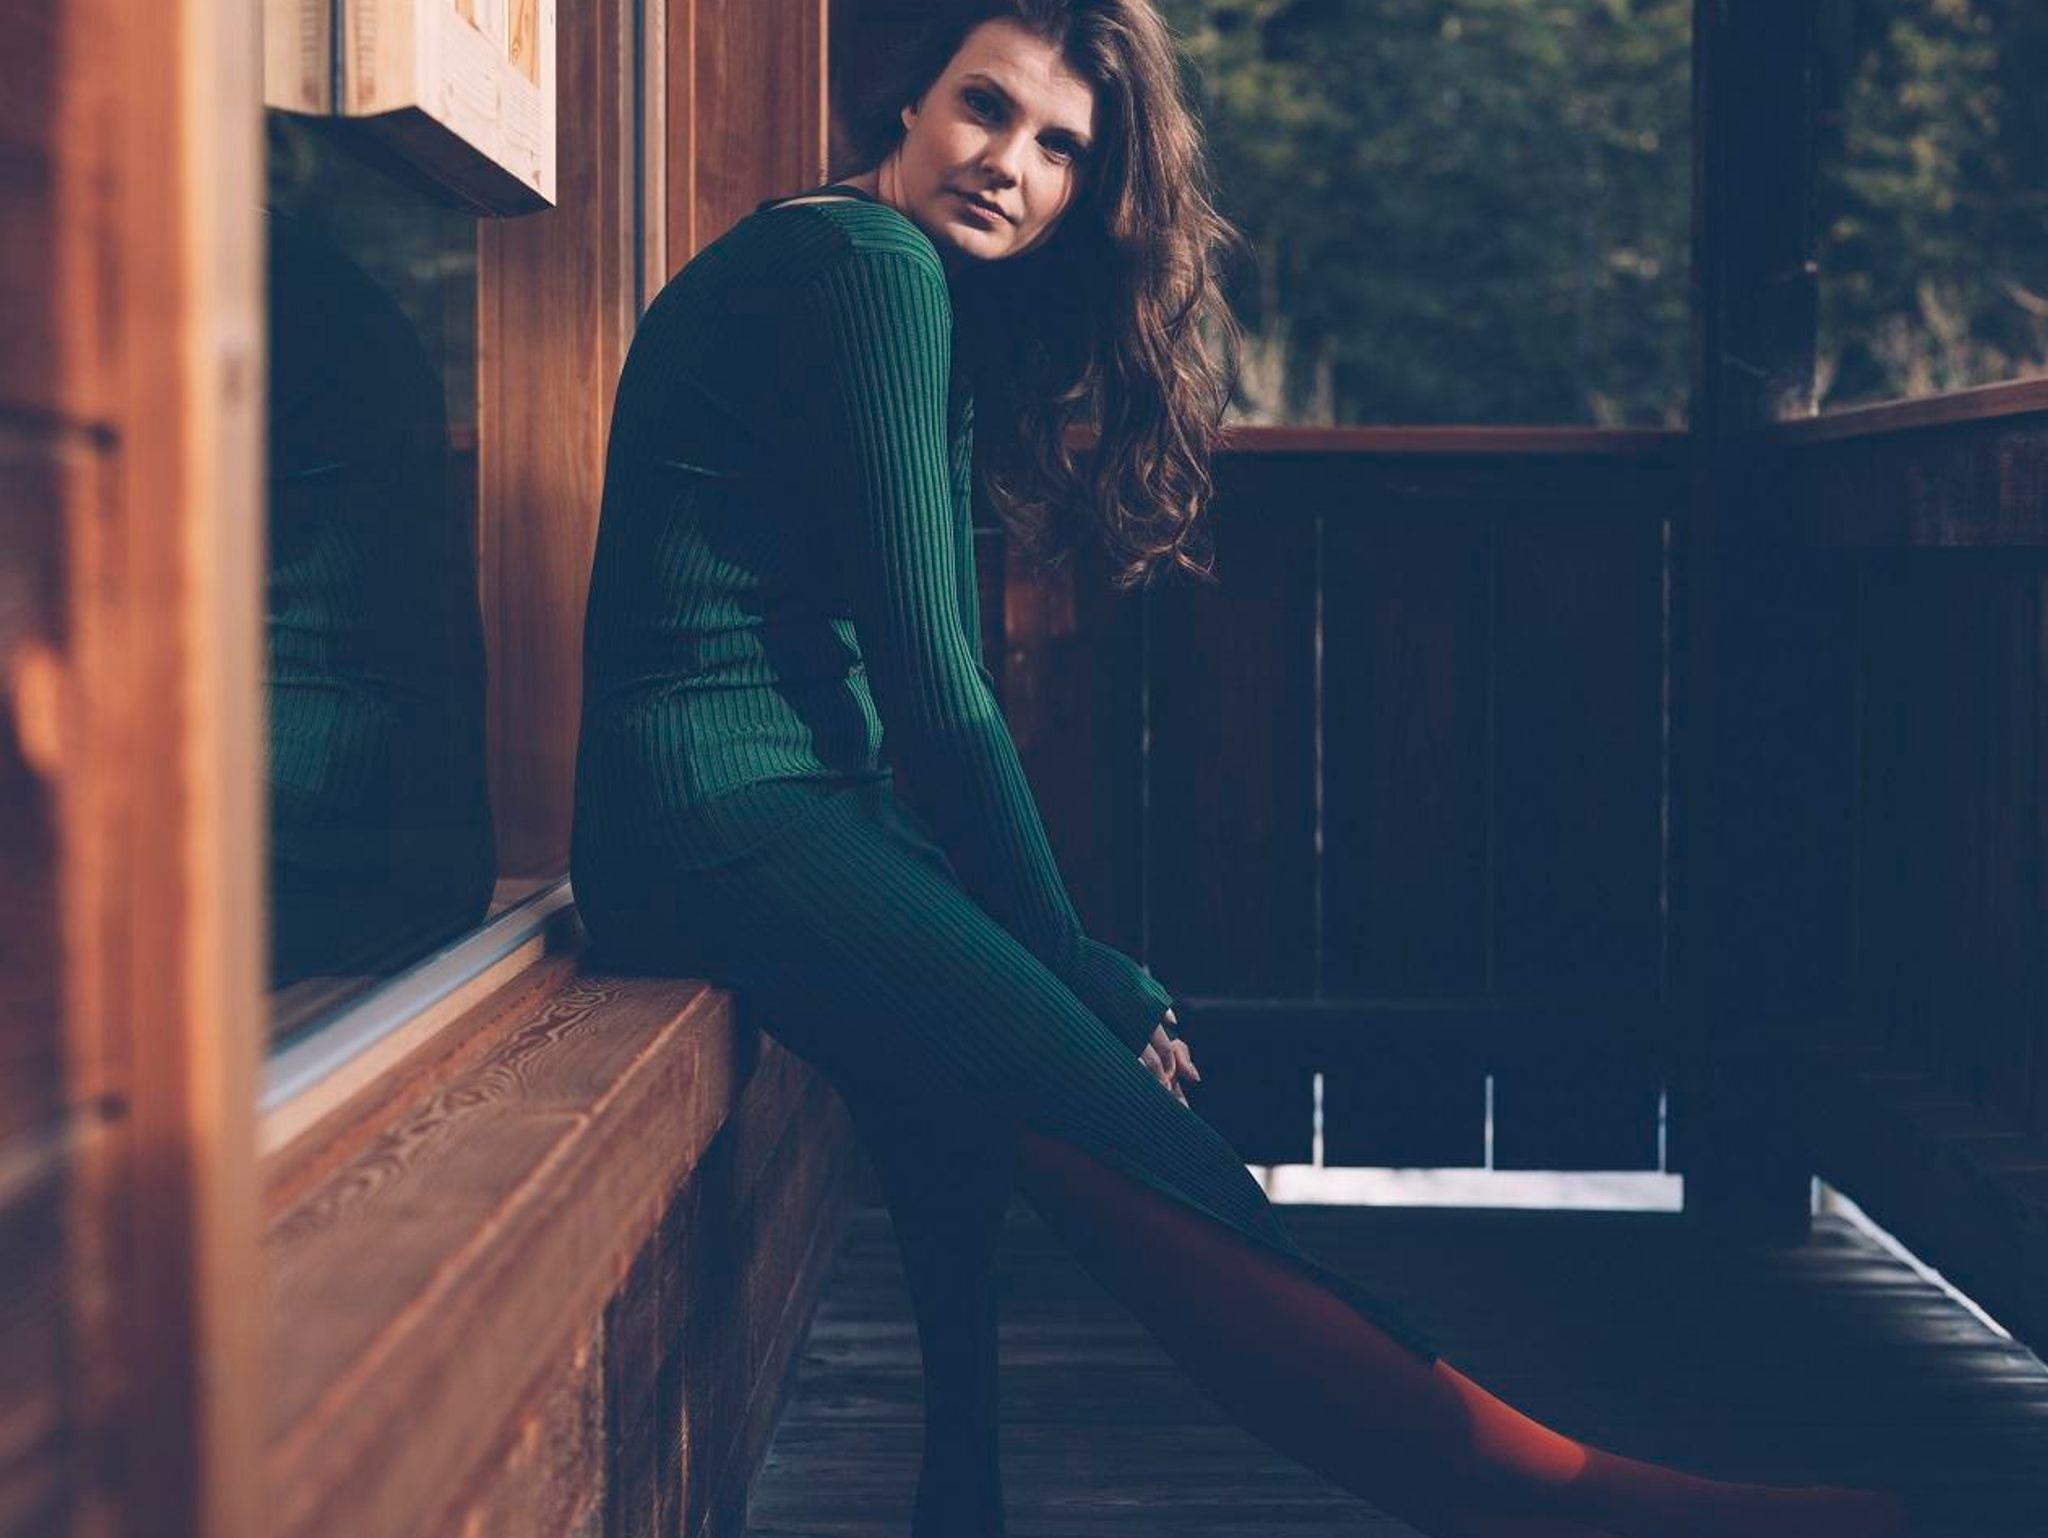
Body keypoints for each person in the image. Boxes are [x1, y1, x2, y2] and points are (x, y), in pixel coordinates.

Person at [569, 3, 1914, 1534]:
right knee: (1113, 1110)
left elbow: (905, 682)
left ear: (1089, 188)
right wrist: (1074, 961)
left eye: (1061, 146)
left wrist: (1039, 946)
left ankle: (964, 1495)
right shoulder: (869, 264)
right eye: (984, 108)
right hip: (724, 811)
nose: (1009, 163)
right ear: (908, 107)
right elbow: (940, 684)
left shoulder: (865, 266)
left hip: (758, 804)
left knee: (969, 1083)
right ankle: (1566, 1498)